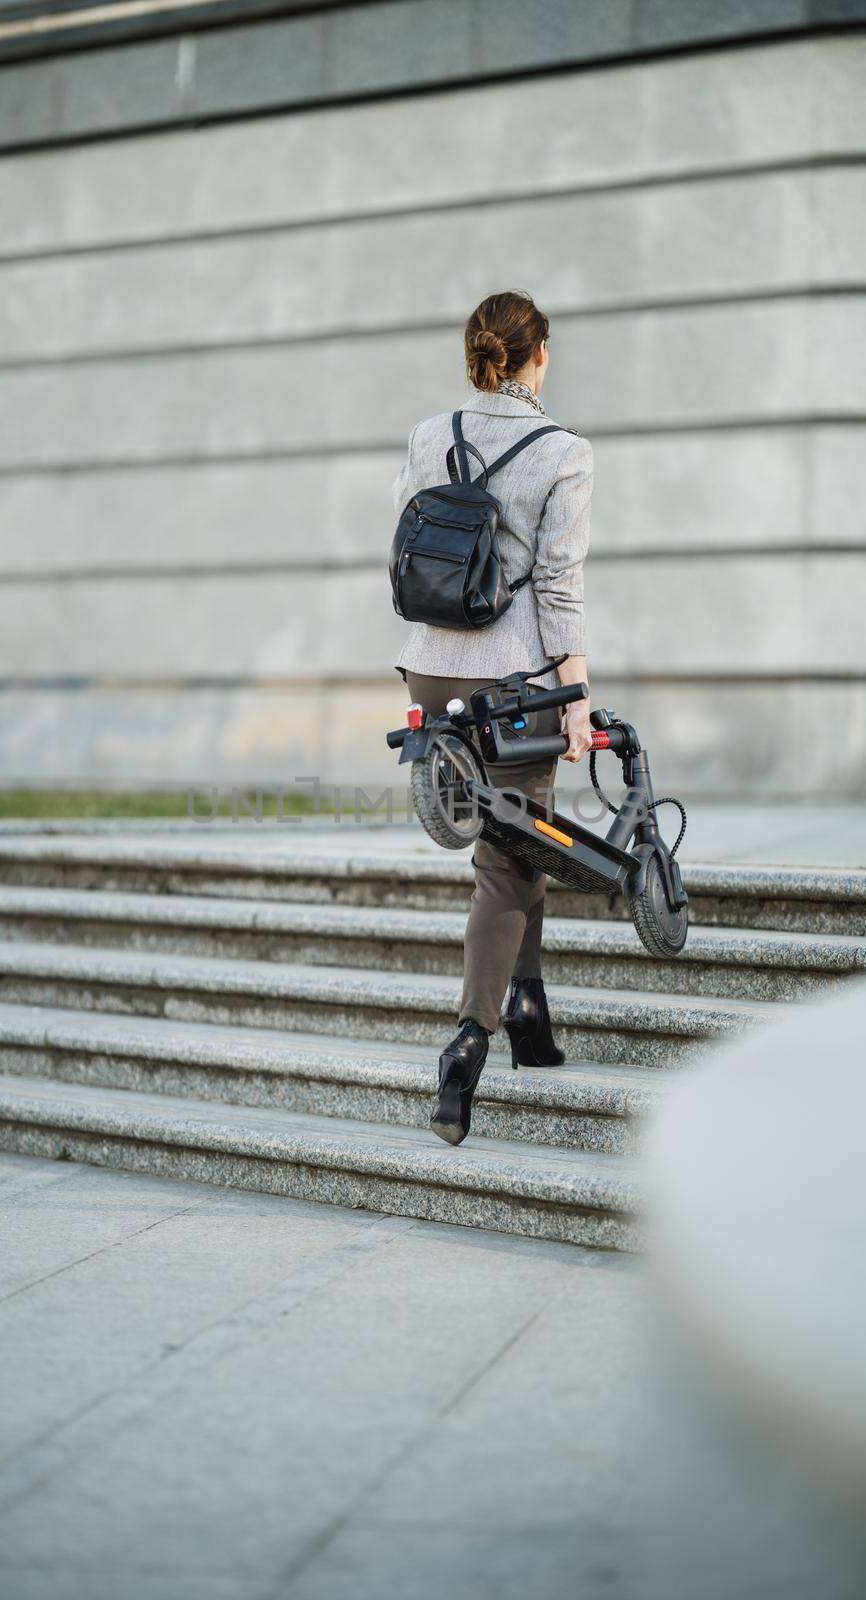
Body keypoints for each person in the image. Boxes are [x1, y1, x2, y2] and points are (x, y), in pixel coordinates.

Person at [391, 288, 595, 1145]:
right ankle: (469, 1042)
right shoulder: (564, 451)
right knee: (507, 864)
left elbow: (403, 546)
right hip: (513, 684)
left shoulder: (429, 433)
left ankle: (529, 1012)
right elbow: (555, 586)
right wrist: (575, 694)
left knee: (523, 834)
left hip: (430, 669)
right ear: (536, 355)